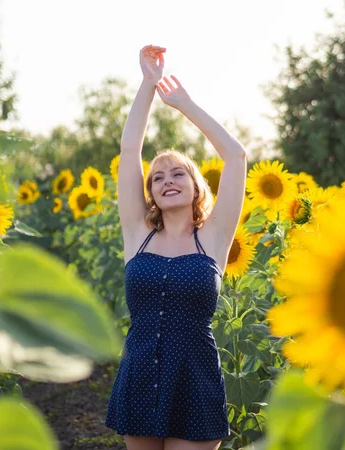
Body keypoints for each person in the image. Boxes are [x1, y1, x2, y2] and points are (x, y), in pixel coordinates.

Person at [105, 44, 248, 450]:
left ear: (196, 185)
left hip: (194, 377)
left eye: (178, 173)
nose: (166, 179)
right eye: (157, 177)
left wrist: (183, 103)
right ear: (149, 192)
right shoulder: (137, 233)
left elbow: (236, 157)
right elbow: (131, 150)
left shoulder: (214, 236)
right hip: (140, 374)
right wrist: (148, 84)